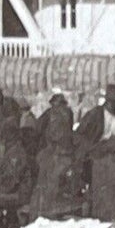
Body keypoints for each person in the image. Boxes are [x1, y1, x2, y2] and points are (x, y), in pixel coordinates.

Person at [77, 83, 115, 221]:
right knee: (98, 184)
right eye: (111, 102)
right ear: (106, 101)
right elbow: (80, 134)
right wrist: (90, 149)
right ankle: (97, 213)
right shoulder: (94, 114)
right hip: (98, 152)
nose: (113, 105)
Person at [30, 91, 84, 221]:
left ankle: (42, 214)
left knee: (44, 182)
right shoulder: (69, 113)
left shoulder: (50, 113)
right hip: (67, 152)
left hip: (53, 152)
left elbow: (37, 128)